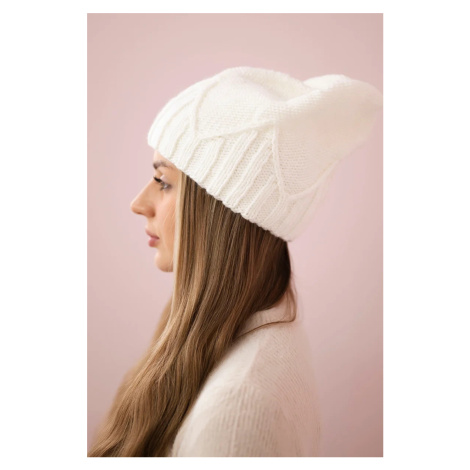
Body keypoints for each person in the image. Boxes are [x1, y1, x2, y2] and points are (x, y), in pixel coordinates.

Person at [88, 66, 383, 457]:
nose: (138, 203)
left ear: (222, 211)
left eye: (164, 182)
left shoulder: (237, 415)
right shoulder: (254, 330)